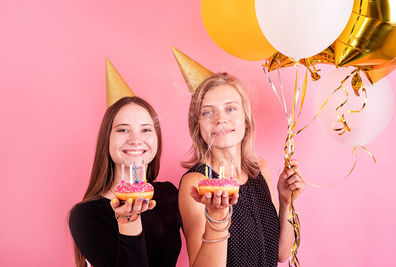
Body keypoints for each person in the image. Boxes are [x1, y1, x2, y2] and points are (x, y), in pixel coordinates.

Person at [179, 73, 305, 267]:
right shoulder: (197, 182)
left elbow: (281, 252)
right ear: (198, 125)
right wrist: (217, 217)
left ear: (246, 119)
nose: (220, 119)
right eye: (207, 112)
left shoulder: (259, 169)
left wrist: (286, 201)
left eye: (230, 108)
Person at [69, 96, 181, 267]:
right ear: (106, 139)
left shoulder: (169, 195)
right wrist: (128, 223)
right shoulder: (86, 215)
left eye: (145, 130)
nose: (135, 140)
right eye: (123, 130)